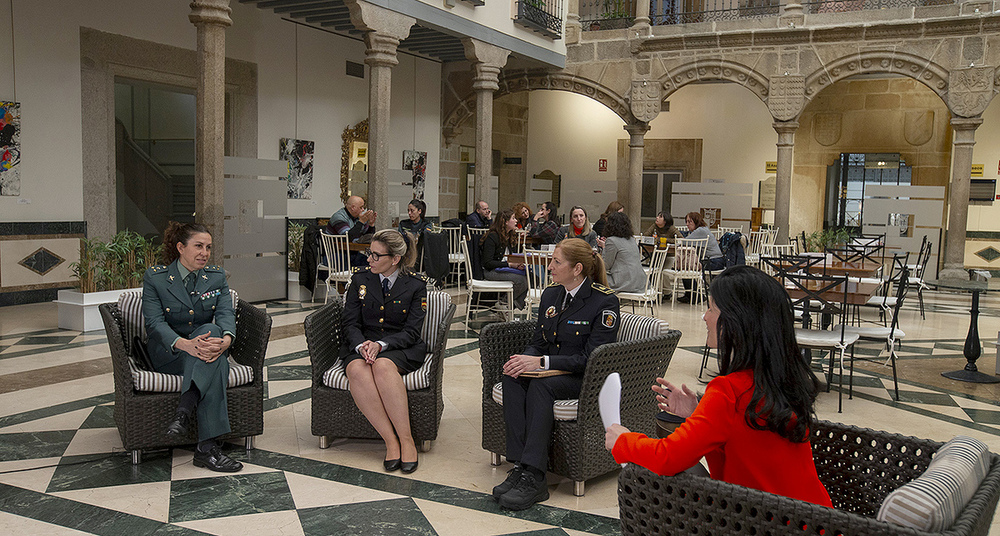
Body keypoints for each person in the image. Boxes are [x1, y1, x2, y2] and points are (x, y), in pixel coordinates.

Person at [605, 265, 832, 507]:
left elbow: (668, 457)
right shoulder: (781, 379)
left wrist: (623, 440)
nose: (704, 316)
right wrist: (699, 412)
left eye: (711, 308)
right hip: (819, 518)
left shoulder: (728, 391)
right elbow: (746, 438)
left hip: (765, 523)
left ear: (737, 322)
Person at [493, 238, 620, 511]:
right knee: (512, 377)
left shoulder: (604, 302)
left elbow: (591, 359)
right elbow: (540, 340)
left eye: (556, 262)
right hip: (552, 370)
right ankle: (521, 465)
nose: (549, 266)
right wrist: (523, 360)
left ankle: (536, 477)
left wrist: (542, 362)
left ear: (577, 269)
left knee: (542, 388)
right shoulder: (552, 294)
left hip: (584, 378)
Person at [142, 222, 242, 473]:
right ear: (180, 247)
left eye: (208, 247)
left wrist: (227, 340)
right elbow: (154, 323)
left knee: (215, 334)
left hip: (205, 349)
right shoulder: (156, 278)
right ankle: (206, 448)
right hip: (170, 353)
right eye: (198, 246)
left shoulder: (216, 277)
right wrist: (186, 345)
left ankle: (184, 414)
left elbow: (225, 313)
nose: (205, 253)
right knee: (214, 360)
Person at [341, 229, 427, 474]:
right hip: (362, 344)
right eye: (370, 253)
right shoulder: (360, 280)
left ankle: (407, 440)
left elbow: (412, 330)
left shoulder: (415, 285)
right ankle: (391, 441)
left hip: (400, 347)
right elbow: (350, 322)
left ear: (395, 259)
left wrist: (382, 345)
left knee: (382, 366)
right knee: (357, 369)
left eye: (376, 256)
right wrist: (361, 345)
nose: (369, 260)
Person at [481, 209, 528, 310]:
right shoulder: (492, 236)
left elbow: (511, 256)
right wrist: (510, 265)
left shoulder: (509, 235)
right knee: (521, 281)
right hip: (490, 271)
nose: (516, 221)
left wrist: (517, 263)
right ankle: (504, 303)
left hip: (503, 269)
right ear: (505, 222)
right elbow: (488, 263)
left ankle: (510, 305)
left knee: (532, 277)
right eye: (513, 218)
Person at [677, 211, 724, 303]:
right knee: (687, 266)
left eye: (690, 222)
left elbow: (684, 242)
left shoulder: (700, 231)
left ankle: (694, 295)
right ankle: (691, 294)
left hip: (713, 261)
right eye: (686, 222)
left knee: (687, 267)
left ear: (696, 221)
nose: (687, 224)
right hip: (716, 261)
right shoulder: (702, 229)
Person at [602, 211, 646, 293]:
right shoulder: (631, 239)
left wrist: (604, 247)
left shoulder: (611, 240)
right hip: (640, 282)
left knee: (594, 277)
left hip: (623, 283)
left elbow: (606, 265)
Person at [328, 195, 377, 267]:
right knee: (365, 265)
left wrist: (371, 224)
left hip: (351, 253)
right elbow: (348, 237)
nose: (363, 210)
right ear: (353, 207)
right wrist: (361, 222)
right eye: (361, 207)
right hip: (335, 255)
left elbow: (367, 237)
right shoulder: (339, 217)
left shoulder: (356, 218)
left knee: (373, 263)